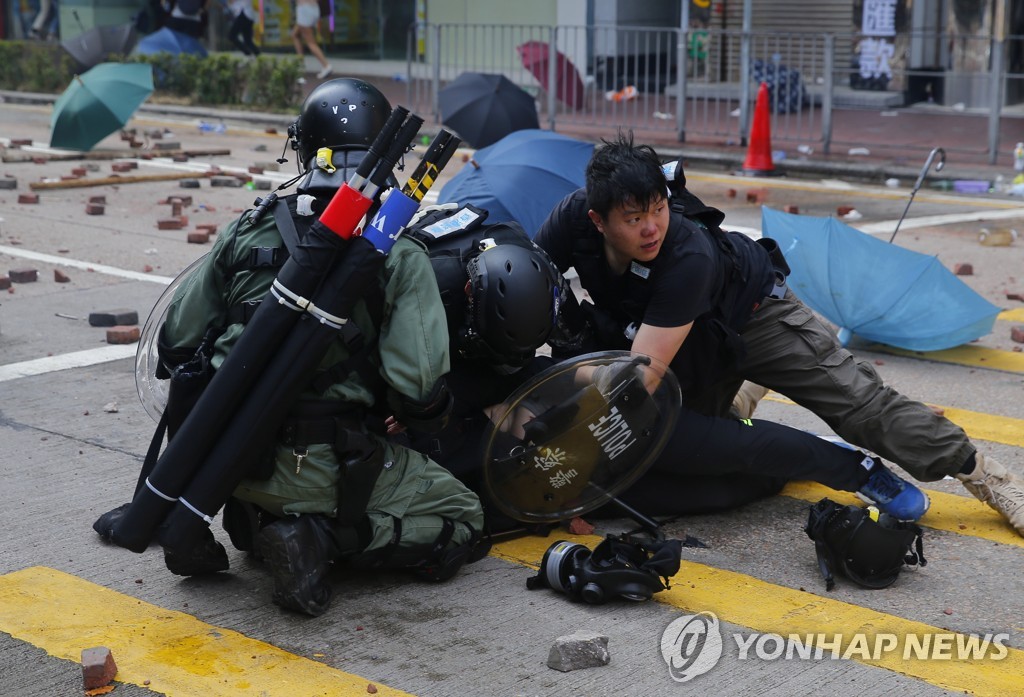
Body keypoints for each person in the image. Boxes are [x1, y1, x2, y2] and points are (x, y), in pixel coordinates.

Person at [94, 78, 486, 616]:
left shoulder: (248, 228)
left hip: (226, 463)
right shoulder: (397, 255)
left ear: (304, 147)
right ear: (386, 154)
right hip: (326, 465)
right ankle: (322, 541)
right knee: (465, 516)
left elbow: (178, 342)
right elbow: (416, 388)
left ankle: (244, 524)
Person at [533, 131, 1024, 535]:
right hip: (667, 337)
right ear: (598, 219)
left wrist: (558, 380)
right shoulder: (571, 221)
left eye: (657, 210)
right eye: (634, 219)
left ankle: (988, 475)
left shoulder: (686, 254)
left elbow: (637, 382)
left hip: (753, 315)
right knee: (691, 456)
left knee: (858, 406)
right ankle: (742, 394)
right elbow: (528, 288)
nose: (651, 229)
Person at [391, 204, 925, 530]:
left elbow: (555, 368)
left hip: (584, 412)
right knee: (734, 491)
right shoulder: (420, 326)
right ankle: (767, 432)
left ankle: (854, 467)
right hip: (549, 477)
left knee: (730, 449)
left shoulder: (524, 288)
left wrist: (591, 387)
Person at [293, 0, 332, 80]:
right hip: (314, 8)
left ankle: (326, 65)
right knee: (295, 35)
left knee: (311, 43)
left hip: (305, 9)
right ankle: (300, 65)